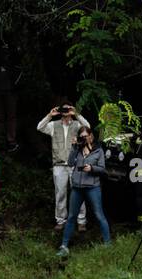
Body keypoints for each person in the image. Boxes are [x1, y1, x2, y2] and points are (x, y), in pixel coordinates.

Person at [56, 128, 111, 257]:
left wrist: (92, 168)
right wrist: (74, 147)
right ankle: (64, 246)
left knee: (99, 215)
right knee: (71, 217)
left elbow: (103, 170)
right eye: (81, 136)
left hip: (93, 187)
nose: (84, 138)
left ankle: (108, 244)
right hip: (77, 188)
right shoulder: (77, 149)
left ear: (91, 136)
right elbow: (70, 163)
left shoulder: (98, 151)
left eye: (85, 136)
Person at [37, 101, 89, 231]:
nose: (66, 112)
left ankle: (81, 220)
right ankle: (60, 220)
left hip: (75, 164)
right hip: (59, 165)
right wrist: (50, 115)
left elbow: (88, 127)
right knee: (60, 194)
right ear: (60, 111)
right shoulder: (53, 125)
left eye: (68, 109)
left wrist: (76, 114)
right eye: (64, 110)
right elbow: (39, 127)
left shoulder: (77, 125)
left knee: (78, 192)